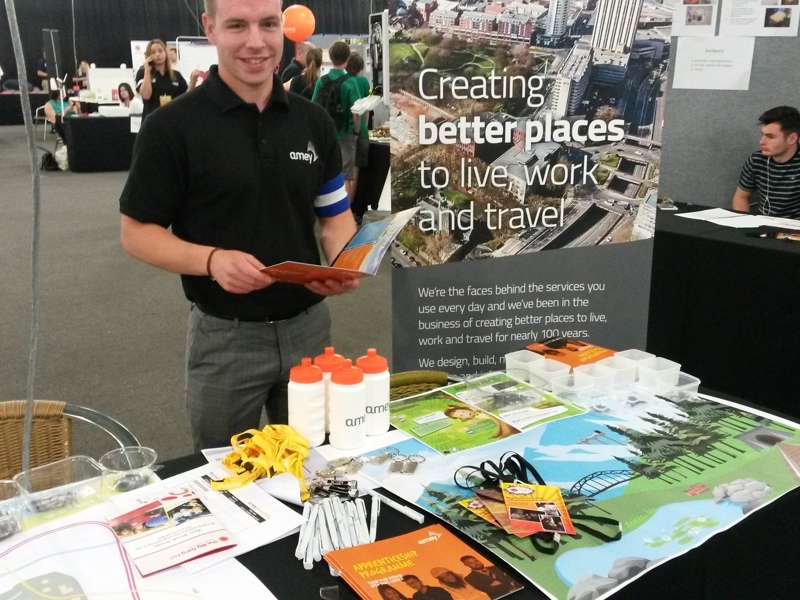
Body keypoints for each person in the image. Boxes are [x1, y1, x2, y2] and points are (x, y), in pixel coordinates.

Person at [119, 0, 359, 452]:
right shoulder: (171, 127)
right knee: (226, 472)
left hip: (309, 331)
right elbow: (136, 232)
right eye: (237, 26)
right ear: (210, 29)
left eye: (267, 24)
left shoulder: (313, 122)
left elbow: (334, 216)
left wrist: (345, 261)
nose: (256, 42)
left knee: (319, 466)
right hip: (224, 339)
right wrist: (211, 261)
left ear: (282, 28)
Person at [311, 41, 364, 202]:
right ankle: (346, 212)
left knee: (325, 173)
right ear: (347, 58)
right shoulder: (350, 82)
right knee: (345, 176)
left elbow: (313, 107)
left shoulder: (321, 81)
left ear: (330, 56)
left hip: (324, 135)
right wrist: (356, 132)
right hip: (344, 134)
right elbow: (357, 112)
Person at [732, 105, 800, 219]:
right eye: (762, 135)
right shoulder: (757, 160)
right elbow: (740, 197)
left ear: (792, 138)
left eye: (770, 137)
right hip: (763, 223)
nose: (762, 142)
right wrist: (744, 223)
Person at [135, 39, 191, 120]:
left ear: (165, 53)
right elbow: (146, 95)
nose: (157, 54)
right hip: (152, 120)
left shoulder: (176, 75)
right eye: (153, 52)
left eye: (160, 51)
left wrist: (193, 80)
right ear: (148, 56)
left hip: (173, 119)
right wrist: (147, 71)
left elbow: (186, 96)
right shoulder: (142, 73)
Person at [345, 52, 371, 221]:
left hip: (343, 132)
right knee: (355, 172)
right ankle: (352, 210)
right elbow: (366, 109)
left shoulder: (344, 81)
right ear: (360, 67)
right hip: (359, 131)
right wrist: (364, 127)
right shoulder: (363, 82)